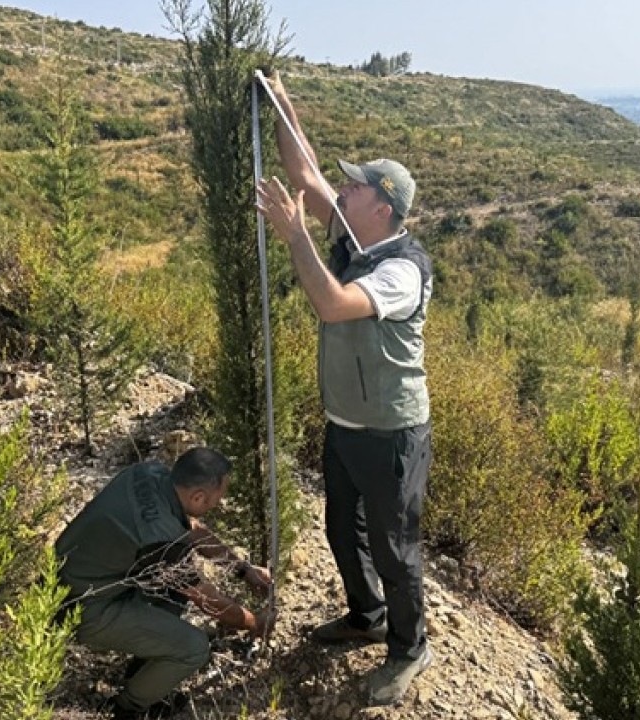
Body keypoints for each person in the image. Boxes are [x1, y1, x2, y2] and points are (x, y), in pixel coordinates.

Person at [255, 72, 433, 707]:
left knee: (395, 550)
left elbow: (332, 305)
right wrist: (281, 102)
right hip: (347, 425)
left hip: (392, 433)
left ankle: (409, 648)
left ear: (382, 207)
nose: (343, 190)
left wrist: (295, 235)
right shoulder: (355, 238)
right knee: (342, 530)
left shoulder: (400, 271)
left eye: (355, 186)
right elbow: (303, 175)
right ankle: (367, 616)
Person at [55, 447, 275, 719]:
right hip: (81, 608)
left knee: (173, 590)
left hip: (75, 579)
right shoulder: (160, 538)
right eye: (216, 500)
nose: (217, 505)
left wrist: (243, 570)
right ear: (198, 497)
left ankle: (144, 669)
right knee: (193, 648)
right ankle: (129, 707)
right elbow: (207, 600)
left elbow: (193, 531)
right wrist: (256, 623)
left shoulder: (148, 472)